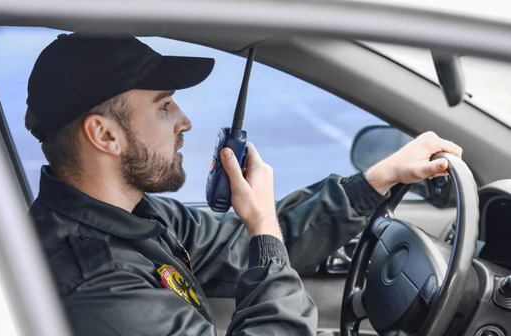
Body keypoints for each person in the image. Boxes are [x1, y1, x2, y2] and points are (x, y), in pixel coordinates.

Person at [25, 31, 462, 335]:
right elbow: (264, 242)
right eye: (164, 107)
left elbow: (244, 244)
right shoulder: (97, 286)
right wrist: (263, 228)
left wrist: (379, 178)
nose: (185, 122)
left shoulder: (137, 215)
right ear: (105, 135)